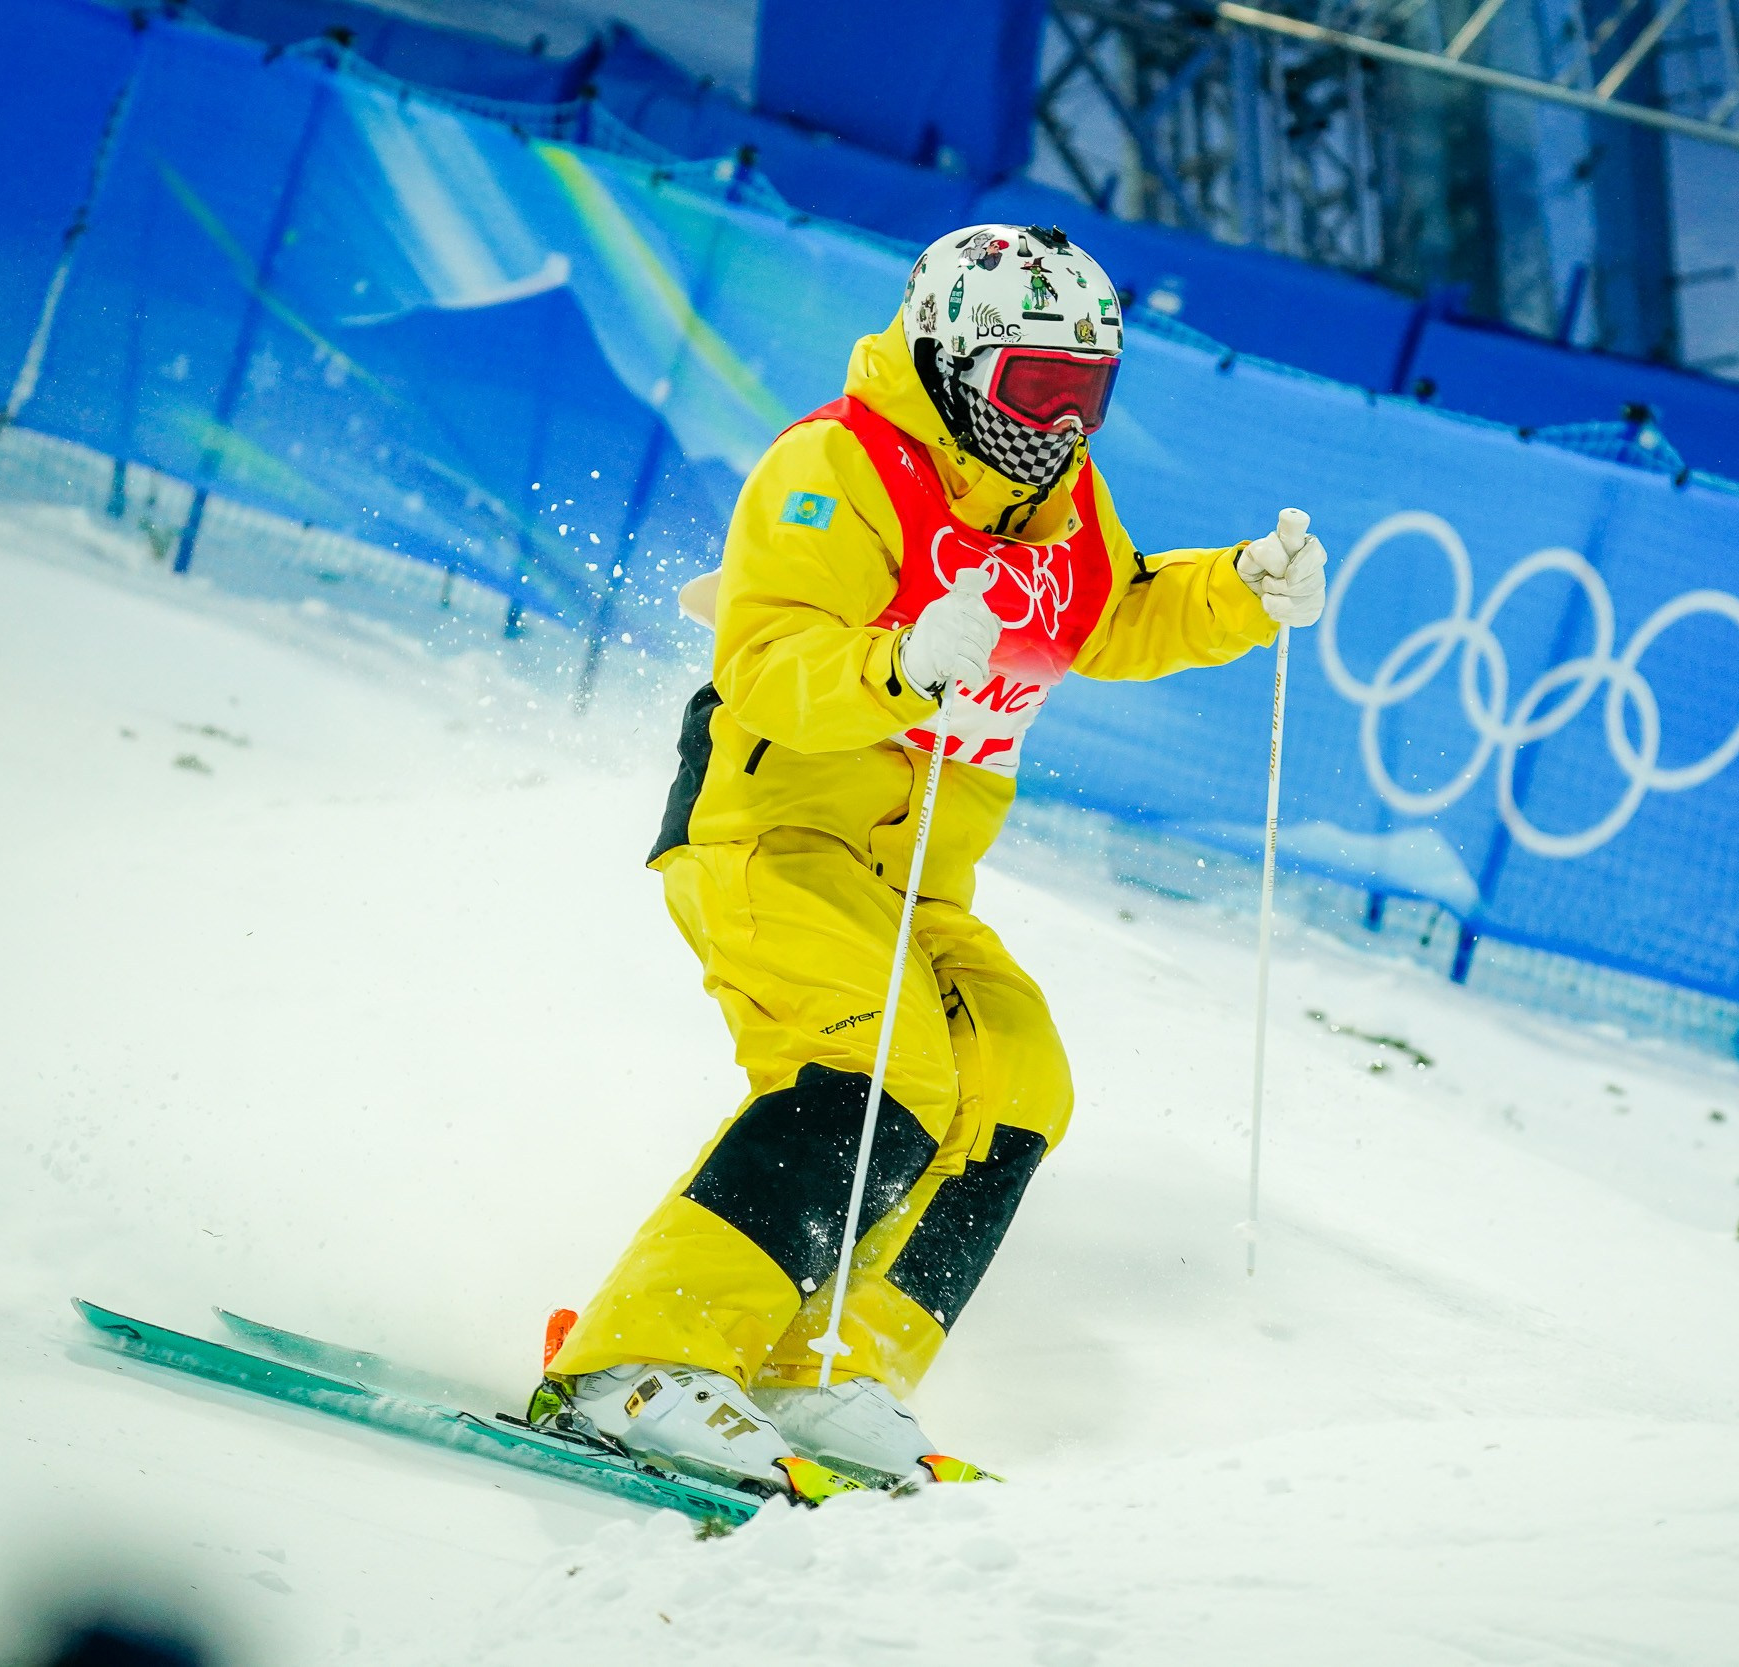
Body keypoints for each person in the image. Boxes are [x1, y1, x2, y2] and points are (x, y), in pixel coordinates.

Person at [533, 224, 1328, 1500]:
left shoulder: (1062, 504)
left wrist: (1240, 586)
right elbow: (766, 657)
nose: (1058, 426)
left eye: (1086, 396)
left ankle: (820, 1368)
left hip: (911, 882)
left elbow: (1110, 611)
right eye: (1031, 391)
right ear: (952, 361)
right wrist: (896, 666)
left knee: (1016, 1078)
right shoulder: (835, 468)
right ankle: (641, 1358)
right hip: (767, 837)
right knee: (873, 1063)